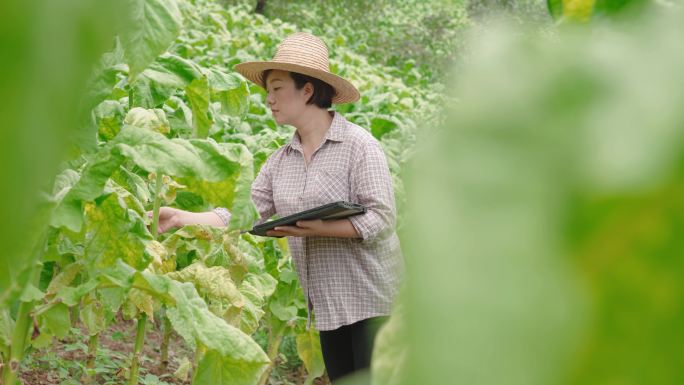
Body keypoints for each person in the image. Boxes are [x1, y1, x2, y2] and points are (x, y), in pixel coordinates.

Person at [154, 32, 403, 383]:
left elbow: (382, 219)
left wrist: (318, 229)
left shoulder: (359, 145)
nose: (269, 99)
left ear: (307, 90)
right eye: (267, 90)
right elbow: (244, 214)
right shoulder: (280, 160)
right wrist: (180, 217)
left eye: (277, 88)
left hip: (374, 300)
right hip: (329, 307)